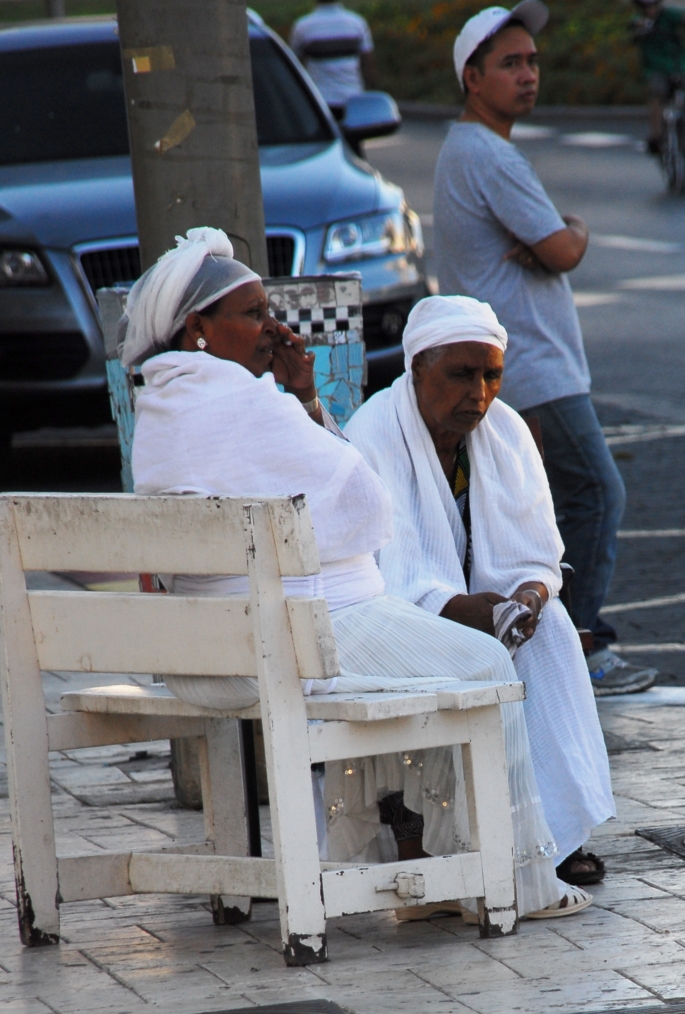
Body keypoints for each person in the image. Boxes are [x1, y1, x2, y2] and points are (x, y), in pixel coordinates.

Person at [120, 226, 591, 920]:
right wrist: (299, 402)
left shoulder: (161, 404)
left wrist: (301, 393)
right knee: (486, 666)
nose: (269, 326)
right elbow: (368, 508)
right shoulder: (244, 403)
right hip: (294, 639)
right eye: (252, 313)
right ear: (198, 328)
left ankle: (429, 874)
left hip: (219, 646)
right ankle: (513, 882)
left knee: (432, 659)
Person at [346, 294, 616, 892]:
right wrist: (459, 610)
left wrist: (529, 598)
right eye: (461, 375)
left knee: (554, 638)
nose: (480, 393)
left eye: (492, 375)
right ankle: (453, 840)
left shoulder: (506, 430)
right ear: (418, 369)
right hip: (395, 618)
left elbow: (539, 552)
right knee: (481, 656)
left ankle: (558, 837)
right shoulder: (371, 434)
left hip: (488, 608)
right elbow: (384, 571)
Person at [432, 2, 658, 696]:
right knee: (595, 491)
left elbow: (546, 249)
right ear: (472, 78)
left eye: (531, 60)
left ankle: (544, 642)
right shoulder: (487, 154)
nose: (527, 74)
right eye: (509, 63)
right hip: (531, 363)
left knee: (537, 508)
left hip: (520, 362)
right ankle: (584, 644)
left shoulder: (471, 149)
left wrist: (552, 238)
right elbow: (562, 250)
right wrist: (575, 226)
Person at [290, 0, 376, 118]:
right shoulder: (357, 23)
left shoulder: (302, 26)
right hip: (353, 101)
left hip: (318, 102)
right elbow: (368, 63)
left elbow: (295, 65)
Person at [631, 0, 685, 153]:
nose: (651, 10)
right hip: (656, 68)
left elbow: (681, 17)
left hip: (678, 66)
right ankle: (656, 137)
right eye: (647, 7)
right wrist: (639, 29)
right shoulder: (639, 20)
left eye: (653, 6)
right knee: (657, 94)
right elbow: (635, 27)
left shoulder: (668, 16)